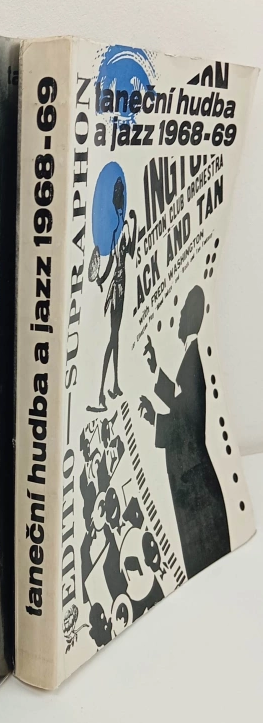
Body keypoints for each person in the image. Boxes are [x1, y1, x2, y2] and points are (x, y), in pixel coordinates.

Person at [138, 285, 230, 578]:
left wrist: (155, 418)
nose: (178, 317)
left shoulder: (193, 358)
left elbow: (188, 424)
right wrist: (155, 367)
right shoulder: (191, 356)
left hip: (196, 487)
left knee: (206, 565)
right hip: (192, 482)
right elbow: (181, 405)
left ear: (191, 315)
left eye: (182, 312)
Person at [94, 179, 137, 411]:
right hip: (118, 288)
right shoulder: (120, 229)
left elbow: (123, 256)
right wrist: (102, 279)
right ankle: (102, 390)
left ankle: (115, 384)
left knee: (116, 337)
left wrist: (102, 279)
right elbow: (125, 255)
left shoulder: (118, 229)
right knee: (113, 338)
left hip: (119, 286)